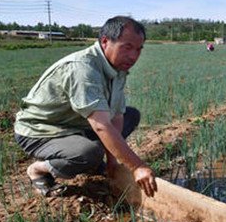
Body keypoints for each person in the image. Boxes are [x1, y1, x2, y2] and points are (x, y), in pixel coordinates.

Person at [14, 16, 157, 198]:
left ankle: (90, 161)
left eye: (138, 49)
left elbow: (116, 117)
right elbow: (100, 125)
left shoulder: (118, 67)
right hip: (40, 130)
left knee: (130, 115)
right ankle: (38, 170)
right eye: (127, 47)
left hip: (76, 124)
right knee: (89, 153)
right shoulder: (83, 69)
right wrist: (137, 166)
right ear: (105, 42)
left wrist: (113, 162)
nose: (134, 56)